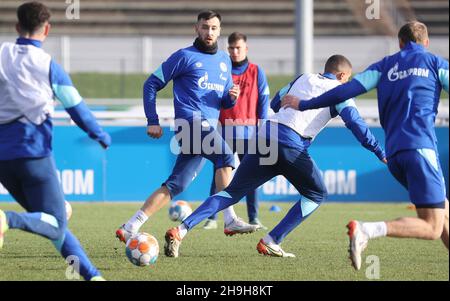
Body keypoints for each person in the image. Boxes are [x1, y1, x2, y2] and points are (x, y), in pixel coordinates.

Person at [163, 55, 387, 258]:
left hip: (265, 136)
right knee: (316, 194)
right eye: (347, 81)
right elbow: (358, 126)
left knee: (231, 192)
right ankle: (272, 240)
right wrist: (380, 152)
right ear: (342, 76)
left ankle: (181, 229)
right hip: (290, 144)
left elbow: (276, 102)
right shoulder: (341, 91)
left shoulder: (303, 78)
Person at [282, 21, 449, 270]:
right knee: (433, 226)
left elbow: (343, 91)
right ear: (426, 43)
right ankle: (367, 230)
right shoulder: (435, 63)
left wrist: (304, 104)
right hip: (422, 150)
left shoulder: (384, 66)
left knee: (443, 209)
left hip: (395, 156)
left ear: (400, 43)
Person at [115, 10, 259, 243]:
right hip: (189, 124)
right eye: (204, 27)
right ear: (196, 29)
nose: (209, 32)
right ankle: (229, 217)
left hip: (206, 128)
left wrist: (231, 97)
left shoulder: (224, 60)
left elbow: (221, 100)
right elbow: (150, 83)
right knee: (226, 156)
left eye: (213, 28)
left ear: (219, 31)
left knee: (176, 184)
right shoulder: (183, 56)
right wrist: (152, 120)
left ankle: (131, 225)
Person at [0, 2, 111, 281]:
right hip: (34, 156)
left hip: (3, 160)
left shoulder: (1, 54)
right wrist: (100, 134)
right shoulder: (48, 65)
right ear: (47, 29)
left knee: (51, 224)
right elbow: (76, 107)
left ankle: (93, 278)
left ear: (16, 27)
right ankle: (6, 219)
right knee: (57, 222)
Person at [204, 32, 270, 230]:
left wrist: (263, 125)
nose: (234, 52)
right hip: (225, 130)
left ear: (245, 49)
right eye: (231, 48)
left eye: (238, 48)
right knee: (219, 173)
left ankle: (254, 216)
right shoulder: (222, 70)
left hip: (249, 131)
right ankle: (211, 218)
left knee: (251, 175)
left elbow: (264, 100)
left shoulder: (256, 71)